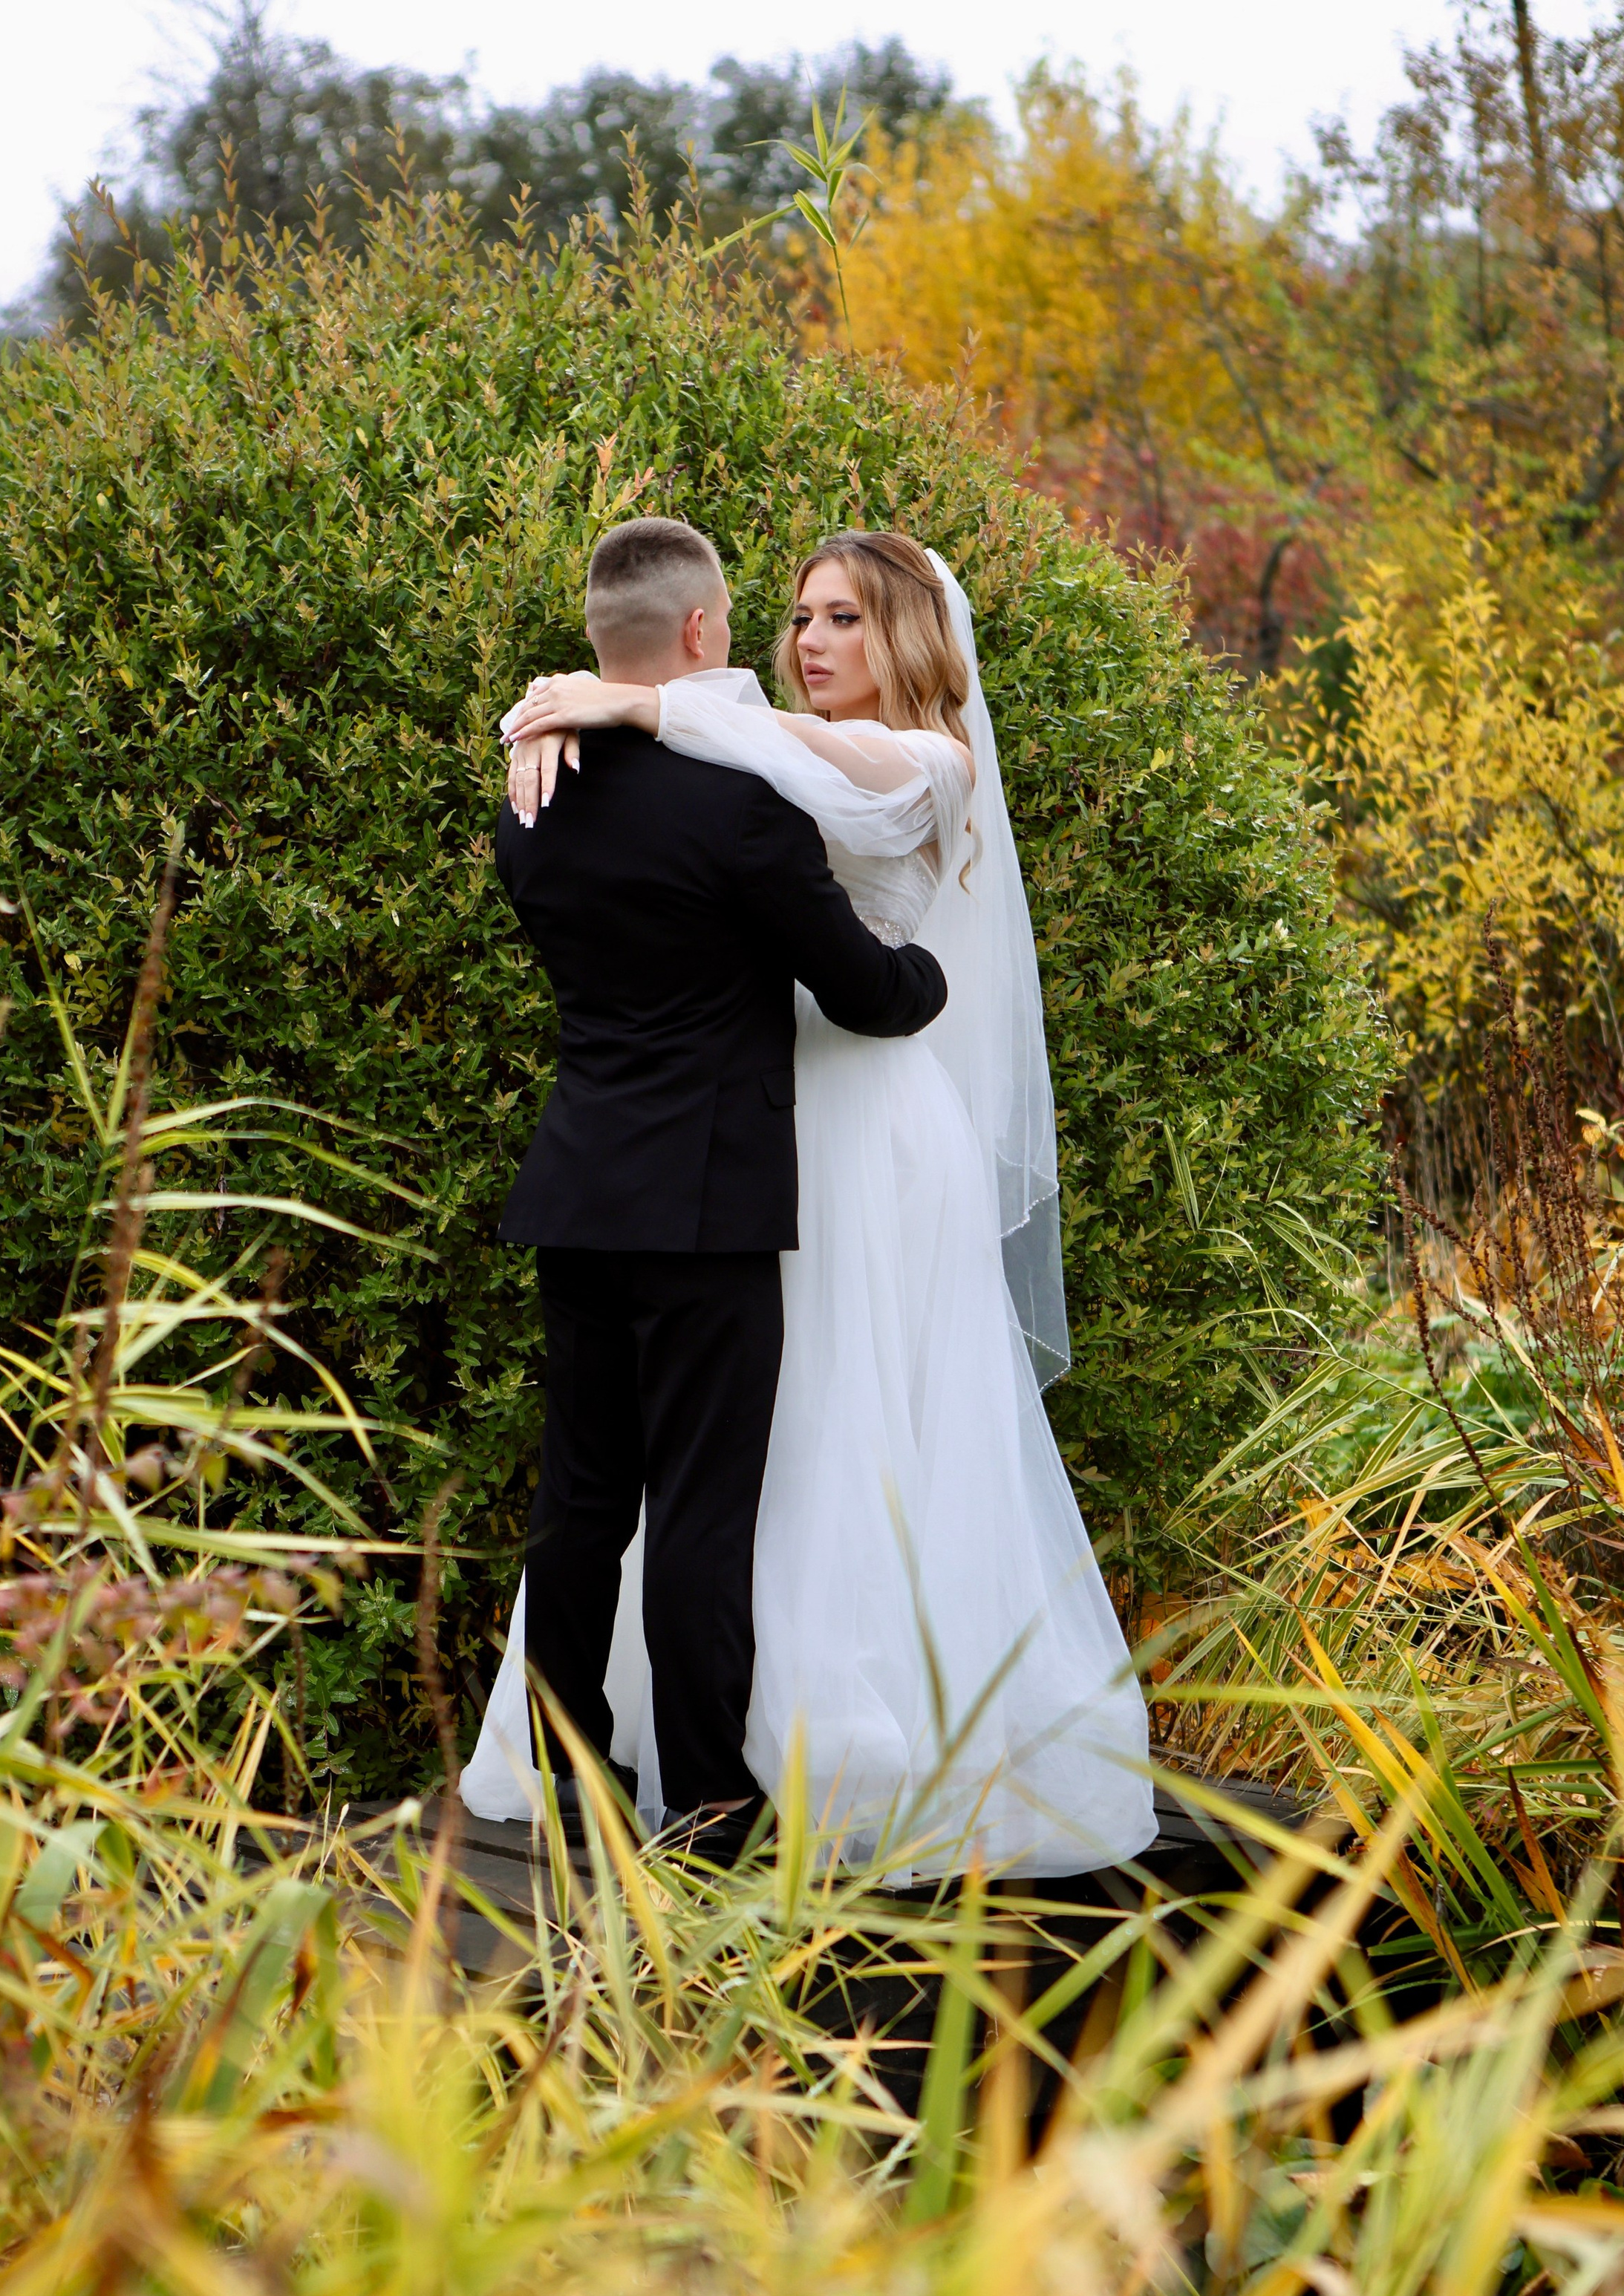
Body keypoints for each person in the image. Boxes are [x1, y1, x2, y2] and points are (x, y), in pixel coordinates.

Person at [466, 528, 1155, 1879]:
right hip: (746, 1140)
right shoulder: (741, 768)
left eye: (844, 618)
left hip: (873, 1130)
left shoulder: (927, 762)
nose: (814, 640)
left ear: (906, 639)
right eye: (797, 616)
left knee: (850, 1431)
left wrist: (610, 696)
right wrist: (567, 707)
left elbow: (773, 755)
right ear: (730, 628)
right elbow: (736, 766)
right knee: (728, 1477)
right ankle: (719, 1776)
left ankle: (859, 1740)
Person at [479, 516, 947, 1866]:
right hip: (710, 1203)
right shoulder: (743, 808)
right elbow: (863, 994)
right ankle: (701, 1801)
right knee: (700, 1507)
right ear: (699, 634)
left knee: (580, 1498)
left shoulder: (533, 801)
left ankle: (568, 1773)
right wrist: (928, 980)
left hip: (578, 1188)